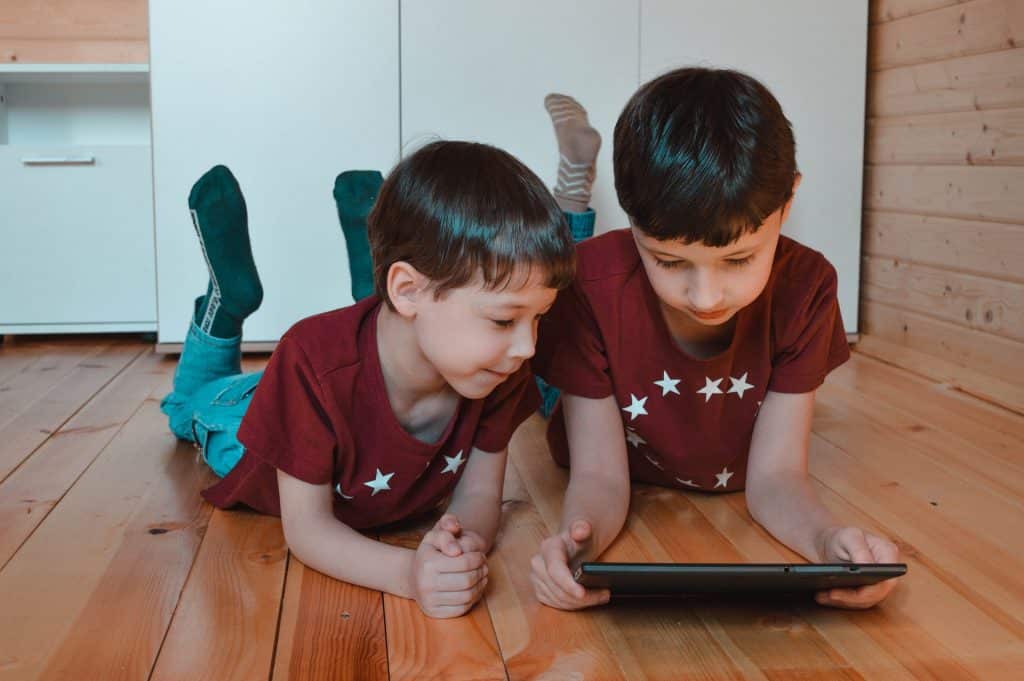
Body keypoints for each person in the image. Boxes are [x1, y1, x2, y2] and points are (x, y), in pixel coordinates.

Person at [529, 68, 901, 611]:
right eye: (669, 260)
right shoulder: (593, 286)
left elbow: (776, 476)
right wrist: (575, 546)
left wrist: (827, 541)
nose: (706, 297)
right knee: (537, 277)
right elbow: (600, 476)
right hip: (571, 370)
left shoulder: (807, 288)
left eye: (739, 259)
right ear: (632, 223)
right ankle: (572, 181)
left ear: (788, 201)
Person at [160, 140, 576, 618]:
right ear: (409, 290)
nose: (528, 347)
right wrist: (409, 575)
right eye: (505, 321)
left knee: (380, 342)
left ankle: (368, 279)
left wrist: (458, 547)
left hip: (368, 360)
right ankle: (224, 305)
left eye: (539, 317)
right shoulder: (310, 362)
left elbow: (480, 494)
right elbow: (308, 529)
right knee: (190, 404)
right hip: (253, 428)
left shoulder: (499, 366)